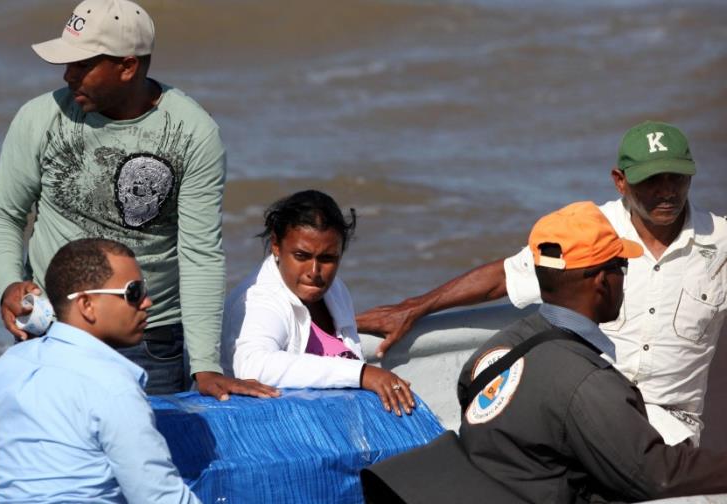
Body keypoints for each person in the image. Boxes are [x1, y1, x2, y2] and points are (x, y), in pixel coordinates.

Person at [356, 120, 727, 444]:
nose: (667, 191)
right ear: (621, 182)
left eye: (676, 177)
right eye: (652, 180)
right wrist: (413, 308)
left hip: (670, 427)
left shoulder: (720, 241)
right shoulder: (588, 231)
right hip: (588, 408)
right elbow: (503, 277)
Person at [0, 0, 276, 400]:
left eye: (82, 64)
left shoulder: (193, 133)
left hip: (151, 339)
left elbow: (200, 252)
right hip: (53, 328)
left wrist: (206, 365)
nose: (68, 75)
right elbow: (2, 212)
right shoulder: (39, 118)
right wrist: (10, 284)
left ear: (127, 66)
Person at [363, 202, 727, 503]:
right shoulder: (589, 383)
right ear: (602, 281)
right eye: (622, 266)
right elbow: (656, 476)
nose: (625, 278)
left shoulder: (494, 352)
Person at [0, 238, 199, 503]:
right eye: (134, 292)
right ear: (86, 305)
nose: (148, 302)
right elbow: (159, 497)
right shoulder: (113, 386)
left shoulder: (10, 365)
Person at [221, 190, 416, 416]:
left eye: (327, 259)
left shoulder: (336, 290)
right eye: (302, 256)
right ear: (276, 245)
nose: (314, 272)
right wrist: (361, 374)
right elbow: (254, 366)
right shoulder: (259, 298)